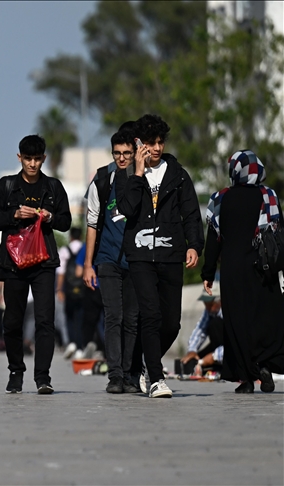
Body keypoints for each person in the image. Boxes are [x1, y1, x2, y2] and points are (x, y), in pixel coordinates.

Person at [115, 114, 204, 398]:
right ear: (139, 143)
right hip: (140, 256)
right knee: (150, 315)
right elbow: (127, 210)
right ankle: (156, 377)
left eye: (160, 142)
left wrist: (194, 245)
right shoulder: (127, 174)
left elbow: (191, 212)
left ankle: (142, 360)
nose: (156, 148)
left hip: (171, 253)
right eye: (150, 142)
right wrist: (138, 173)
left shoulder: (177, 173)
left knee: (171, 322)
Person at [0, 134, 71, 394]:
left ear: (43, 159)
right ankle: (15, 371)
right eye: (27, 159)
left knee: (45, 321)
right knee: (12, 320)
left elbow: (66, 221)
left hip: (43, 262)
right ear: (19, 158)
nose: (32, 164)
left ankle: (43, 376)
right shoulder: (7, 185)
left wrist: (50, 216)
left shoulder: (53, 187)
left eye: (37, 159)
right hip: (13, 262)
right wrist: (13, 214)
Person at [201, 150, 284, 393]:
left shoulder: (219, 199)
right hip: (263, 269)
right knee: (265, 319)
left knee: (237, 323)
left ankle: (246, 379)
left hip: (232, 271)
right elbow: (278, 235)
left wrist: (207, 273)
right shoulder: (268, 196)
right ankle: (265, 364)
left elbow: (213, 240)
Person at [83, 127, 141, 393]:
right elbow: (92, 223)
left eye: (127, 153)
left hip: (137, 259)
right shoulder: (102, 179)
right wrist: (88, 264)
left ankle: (130, 375)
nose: (122, 158)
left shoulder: (144, 179)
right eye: (117, 153)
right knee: (113, 317)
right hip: (107, 259)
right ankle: (115, 376)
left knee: (132, 319)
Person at [181, 290, 224, 373]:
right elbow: (200, 329)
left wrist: (215, 356)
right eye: (205, 304)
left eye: (210, 305)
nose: (207, 308)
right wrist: (192, 350)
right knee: (191, 363)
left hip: (239, 349)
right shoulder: (210, 310)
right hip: (219, 347)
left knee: (216, 323)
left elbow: (239, 343)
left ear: (221, 301)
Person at [57, 227, 84, 356]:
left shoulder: (64, 250)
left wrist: (59, 289)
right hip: (83, 288)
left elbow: (61, 272)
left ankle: (72, 342)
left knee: (69, 316)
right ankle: (80, 346)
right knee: (80, 316)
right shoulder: (84, 248)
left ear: (71, 237)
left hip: (68, 288)